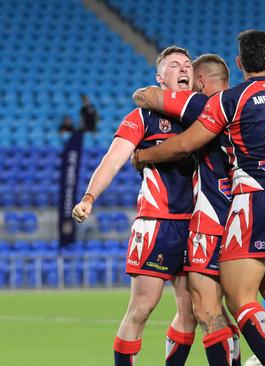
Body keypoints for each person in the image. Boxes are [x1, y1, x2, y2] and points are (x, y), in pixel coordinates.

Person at [132, 30, 265, 366]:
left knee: (212, 307)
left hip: (230, 214)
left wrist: (142, 157)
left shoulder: (211, 102)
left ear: (203, 80)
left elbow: (161, 114)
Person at [72, 46, 200, 366]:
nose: (184, 68)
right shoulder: (143, 117)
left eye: (187, 64)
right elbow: (113, 159)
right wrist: (89, 198)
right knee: (142, 308)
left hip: (199, 224)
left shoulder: (204, 114)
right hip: (157, 222)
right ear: (160, 78)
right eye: (174, 65)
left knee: (192, 310)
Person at [133, 54, 241, 365]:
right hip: (247, 215)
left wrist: (142, 157)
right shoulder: (241, 106)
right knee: (215, 308)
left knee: (205, 309)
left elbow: (178, 144)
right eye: (175, 67)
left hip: (211, 221)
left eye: (189, 71)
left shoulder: (205, 108)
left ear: (200, 82)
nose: (184, 75)